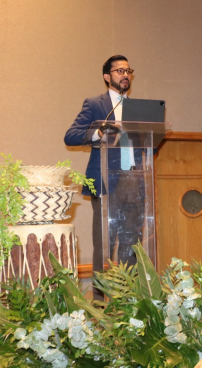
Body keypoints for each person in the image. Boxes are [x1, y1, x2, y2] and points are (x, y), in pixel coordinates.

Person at [64, 55, 143, 299]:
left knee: (131, 244)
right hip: (106, 182)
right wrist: (98, 133)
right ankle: (99, 302)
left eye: (128, 70)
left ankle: (128, 299)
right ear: (107, 76)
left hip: (134, 181)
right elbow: (71, 135)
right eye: (120, 71)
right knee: (104, 244)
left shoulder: (139, 108)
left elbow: (147, 143)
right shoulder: (95, 104)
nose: (125, 75)